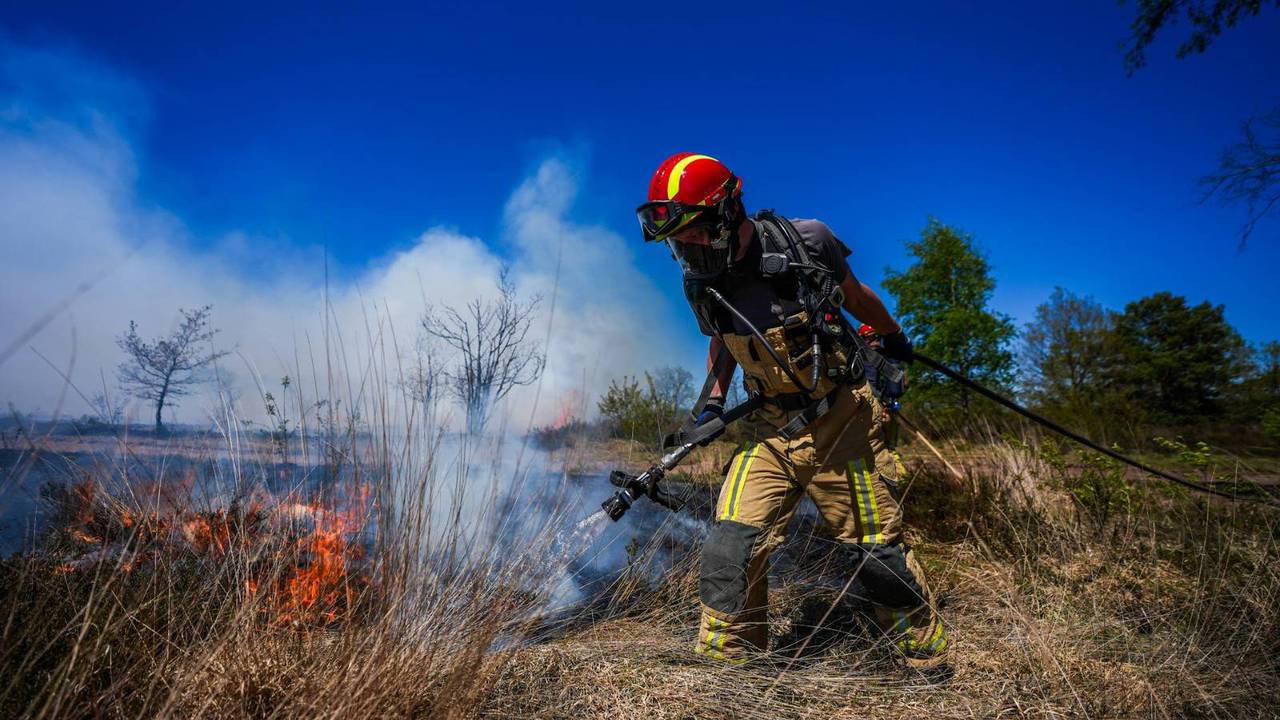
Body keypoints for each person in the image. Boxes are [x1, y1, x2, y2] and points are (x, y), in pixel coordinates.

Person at [636, 152, 948, 669]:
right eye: (676, 240)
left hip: (843, 422)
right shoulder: (699, 280)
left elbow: (854, 296)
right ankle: (730, 665)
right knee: (729, 546)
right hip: (769, 432)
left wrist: (892, 337)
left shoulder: (807, 242)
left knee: (876, 553)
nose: (686, 248)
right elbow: (723, 339)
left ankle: (924, 657)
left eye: (694, 233)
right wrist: (711, 403)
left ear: (728, 210)